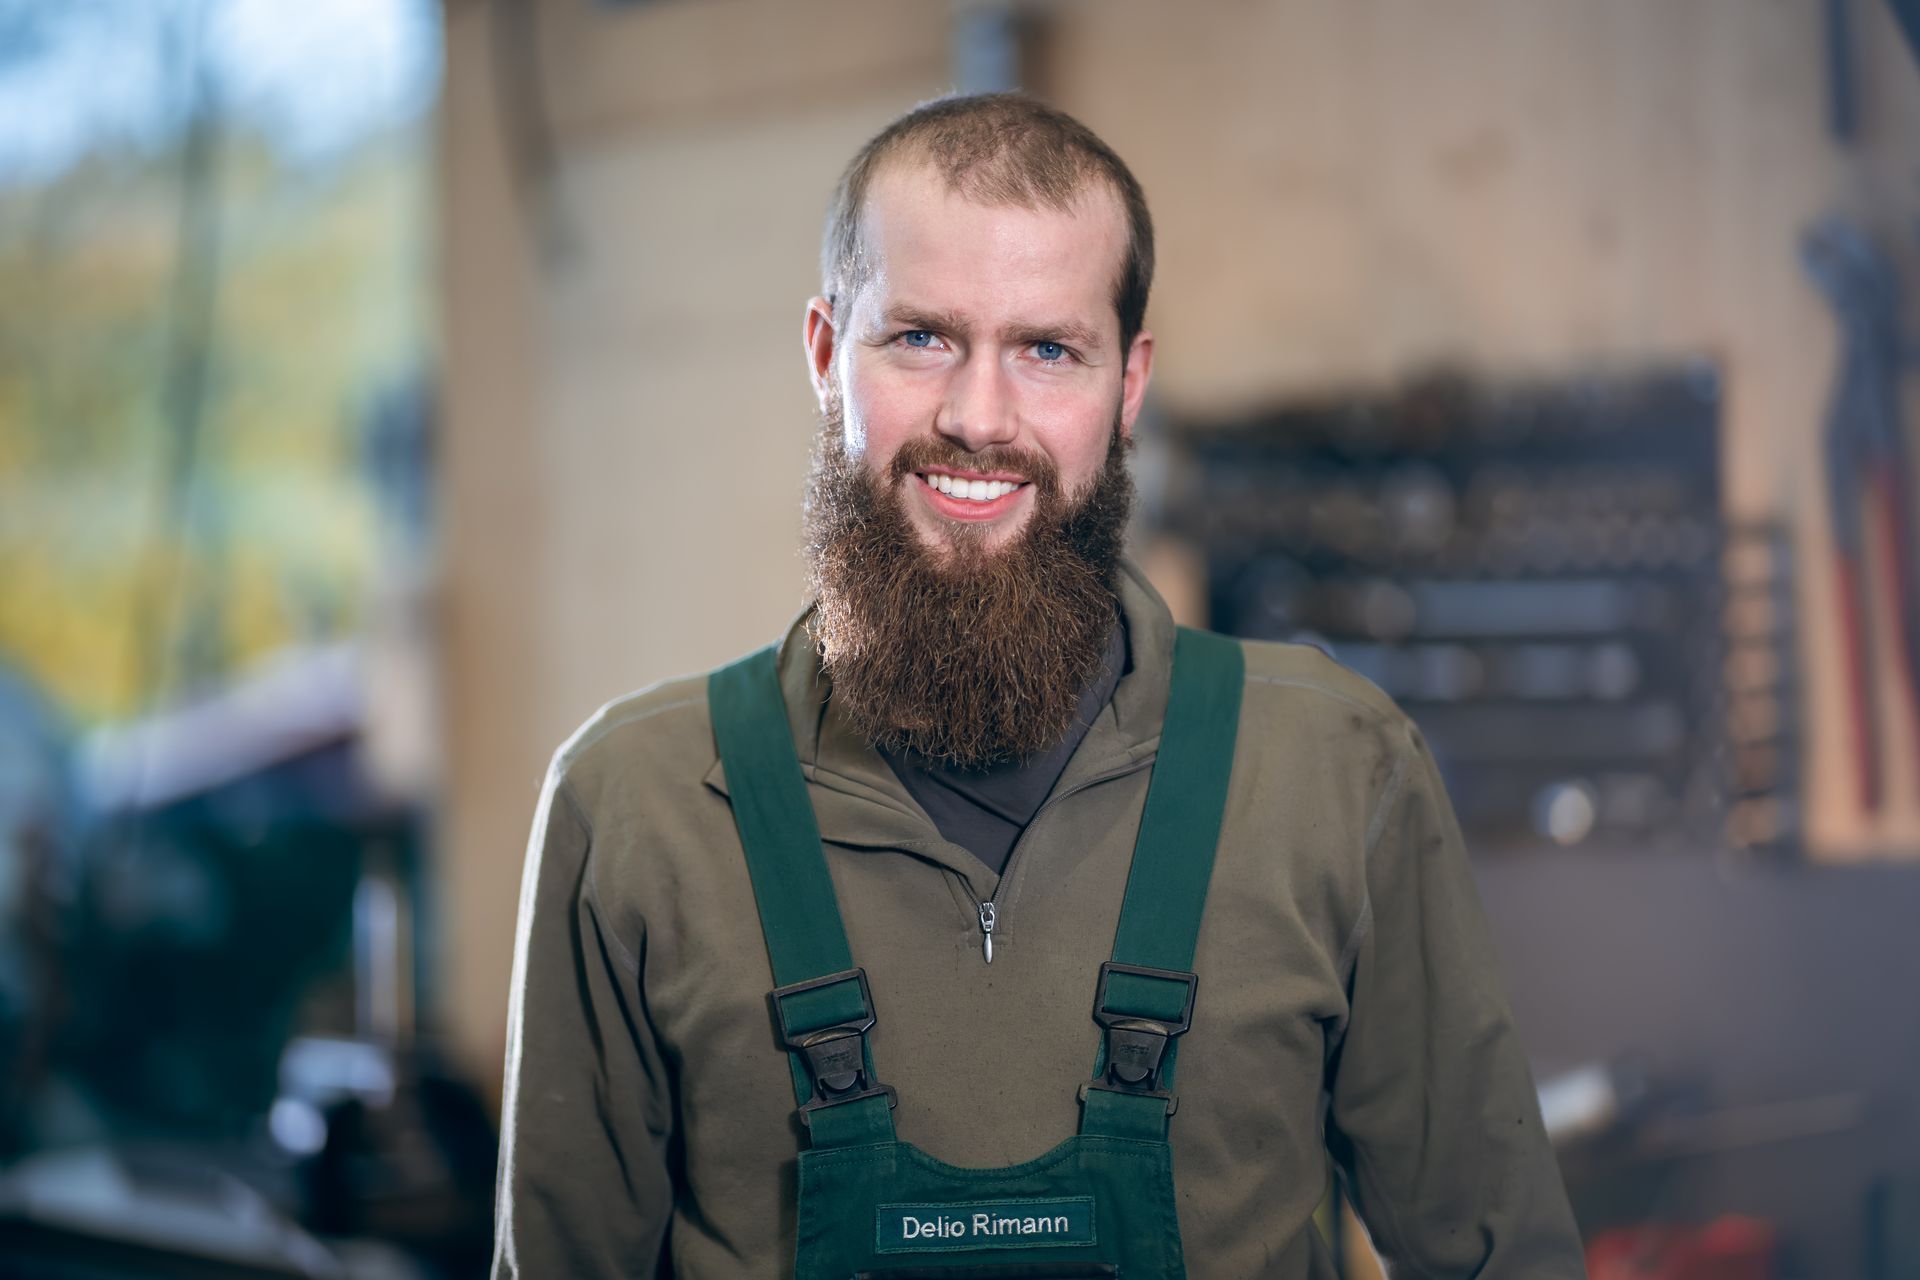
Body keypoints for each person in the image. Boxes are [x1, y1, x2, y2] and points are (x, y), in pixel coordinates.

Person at [491, 93, 1585, 1279]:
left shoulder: (1338, 772)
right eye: (921, 337)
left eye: (1048, 349)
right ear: (823, 355)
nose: (977, 416)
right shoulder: (634, 809)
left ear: (1128, 387)